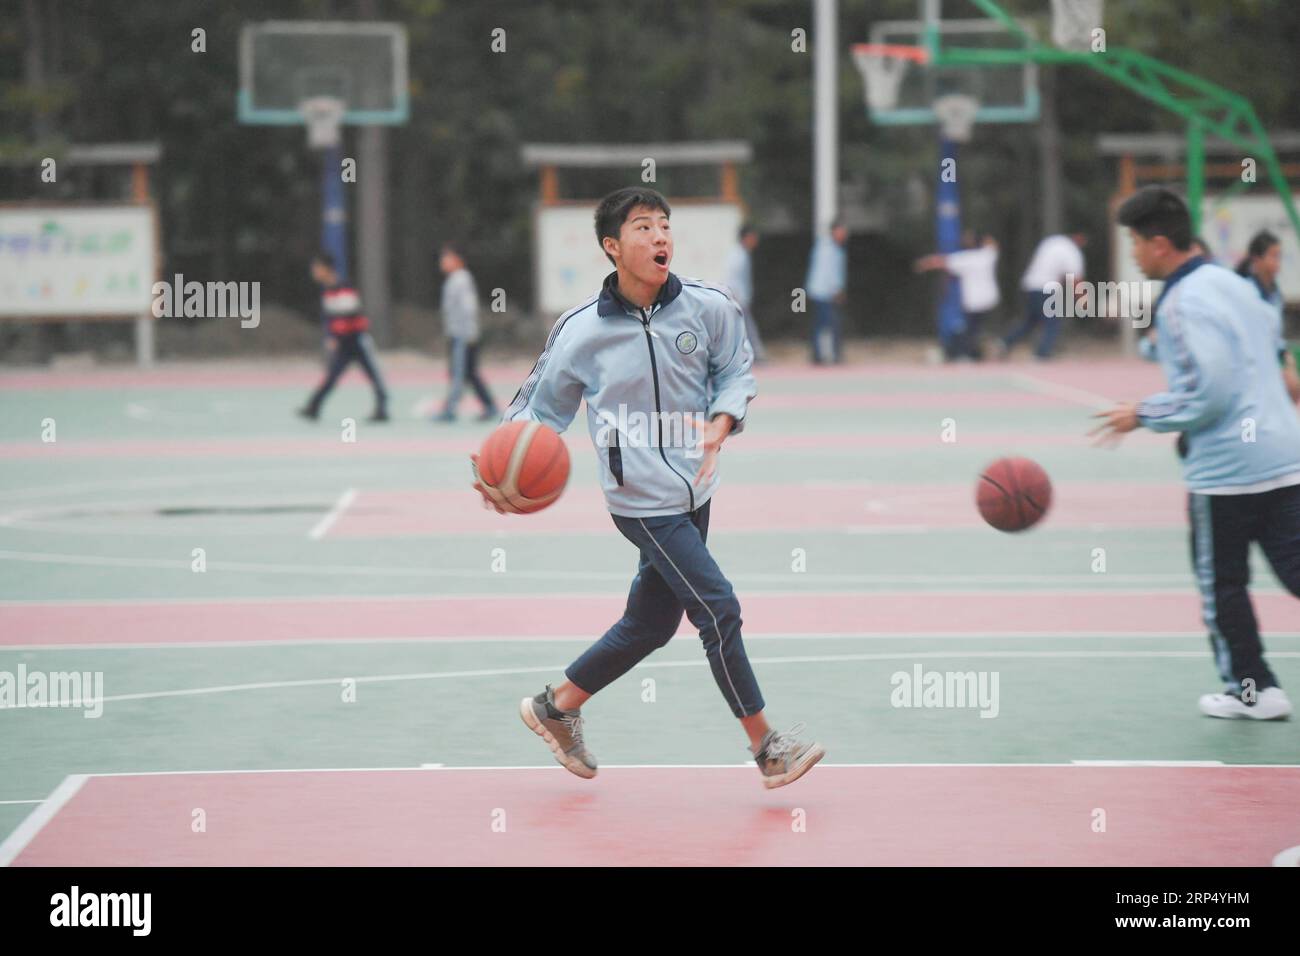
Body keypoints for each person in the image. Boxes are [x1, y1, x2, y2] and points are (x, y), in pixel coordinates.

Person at [478, 186, 825, 788]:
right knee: (718, 610)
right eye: (643, 227)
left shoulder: (709, 307)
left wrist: (722, 421)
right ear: (612, 247)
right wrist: (497, 465)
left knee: (651, 624)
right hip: (639, 500)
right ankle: (768, 748)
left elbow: (734, 371)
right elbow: (537, 408)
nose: (660, 236)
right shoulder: (581, 330)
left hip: (696, 490)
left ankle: (555, 706)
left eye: (664, 225)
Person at [1092, 186, 1300, 720]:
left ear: (1159, 244)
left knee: (1222, 583)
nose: (1134, 255)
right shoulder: (1236, 285)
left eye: (1135, 243)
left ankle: (1253, 691)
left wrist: (1143, 413)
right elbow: (1267, 351)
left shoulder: (1181, 302)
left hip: (1227, 472)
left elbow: (1212, 390)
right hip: (1283, 454)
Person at [297, 252, 389, 423]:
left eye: (317, 268)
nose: (314, 272)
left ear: (326, 268)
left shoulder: (343, 287)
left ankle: (382, 408)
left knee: (372, 374)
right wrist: (333, 335)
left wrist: (335, 336)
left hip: (355, 340)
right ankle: (313, 407)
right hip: (344, 342)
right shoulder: (328, 289)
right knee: (333, 376)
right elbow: (332, 318)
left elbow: (350, 315)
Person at [433, 242, 499, 423]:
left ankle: (450, 409)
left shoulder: (460, 279)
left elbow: (468, 307)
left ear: (457, 259)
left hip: (462, 335)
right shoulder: (456, 279)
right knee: (469, 372)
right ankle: (489, 405)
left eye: (446, 258)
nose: (442, 262)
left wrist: (469, 334)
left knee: (458, 372)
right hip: (459, 333)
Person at [998, 232, 1087, 360]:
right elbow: (1076, 280)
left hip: (1031, 285)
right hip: (1048, 288)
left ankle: (1005, 342)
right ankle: (1042, 353)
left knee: (1031, 320)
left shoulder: (1052, 241)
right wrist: (1082, 301)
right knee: (1053, 321)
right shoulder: (1072, 252)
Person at [1235, 229, 1300, 403]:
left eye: (1279, 256)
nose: (1278, 262)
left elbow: (1276, 338)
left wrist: (1289, 364)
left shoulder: (1275, 293)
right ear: (1257, 260)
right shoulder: (1245, 292)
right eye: (1273, 256)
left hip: (1268, 372)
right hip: (1247, 374)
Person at [914, 231, 1000, 361]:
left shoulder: (965, 258)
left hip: (974, 302)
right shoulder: (987, 256)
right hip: (988, 300)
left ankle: (962, 353)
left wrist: (923, 264)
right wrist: (982, 237)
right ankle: (972, 352)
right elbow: (992, 244)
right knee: (975, 329)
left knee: (969, 329)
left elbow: (940, 261)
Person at [805, 218, 848, 364]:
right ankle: (832, 355)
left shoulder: (823, 246)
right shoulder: (830, 249)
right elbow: (829, 272)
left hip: (819, 291)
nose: (844, 234)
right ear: (834, 231)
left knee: (821, 325)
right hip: (823, 292)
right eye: (841, 231)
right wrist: (837, 290)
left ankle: (818, 355)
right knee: (831, 324)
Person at [724, 224, 767, 363]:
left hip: (741, 299)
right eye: (753, 237)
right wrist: (736, 297)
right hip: (738, 299)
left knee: (744, 329)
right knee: (747, 328)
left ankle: (752, 355)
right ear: (746, 238)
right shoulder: (738, 255)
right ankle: (757, 355)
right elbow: (733, 278)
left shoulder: (743, 253)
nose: (755, 241)